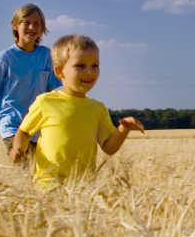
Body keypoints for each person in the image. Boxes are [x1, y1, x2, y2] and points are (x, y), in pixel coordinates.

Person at [10, 34, 144, 189]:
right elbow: (24, 131)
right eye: (80, 66)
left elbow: (109, 148)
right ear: (60, 72)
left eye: (95, 65)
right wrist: (18, 149)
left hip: (83, 185)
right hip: (48, 182)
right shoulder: (46, 101)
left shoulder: (97, 108)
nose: (89, 72)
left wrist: (123, 129)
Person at [0, 4, 61, 162]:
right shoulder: (5, 58)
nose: (32, 27)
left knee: (37, 176)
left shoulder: (47, 56)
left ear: (42, 28)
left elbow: (54, 96)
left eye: (37, 23)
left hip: (37, 126)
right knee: (22, 165)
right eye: (26, 22)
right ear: (15, 25)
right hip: (12, 125)